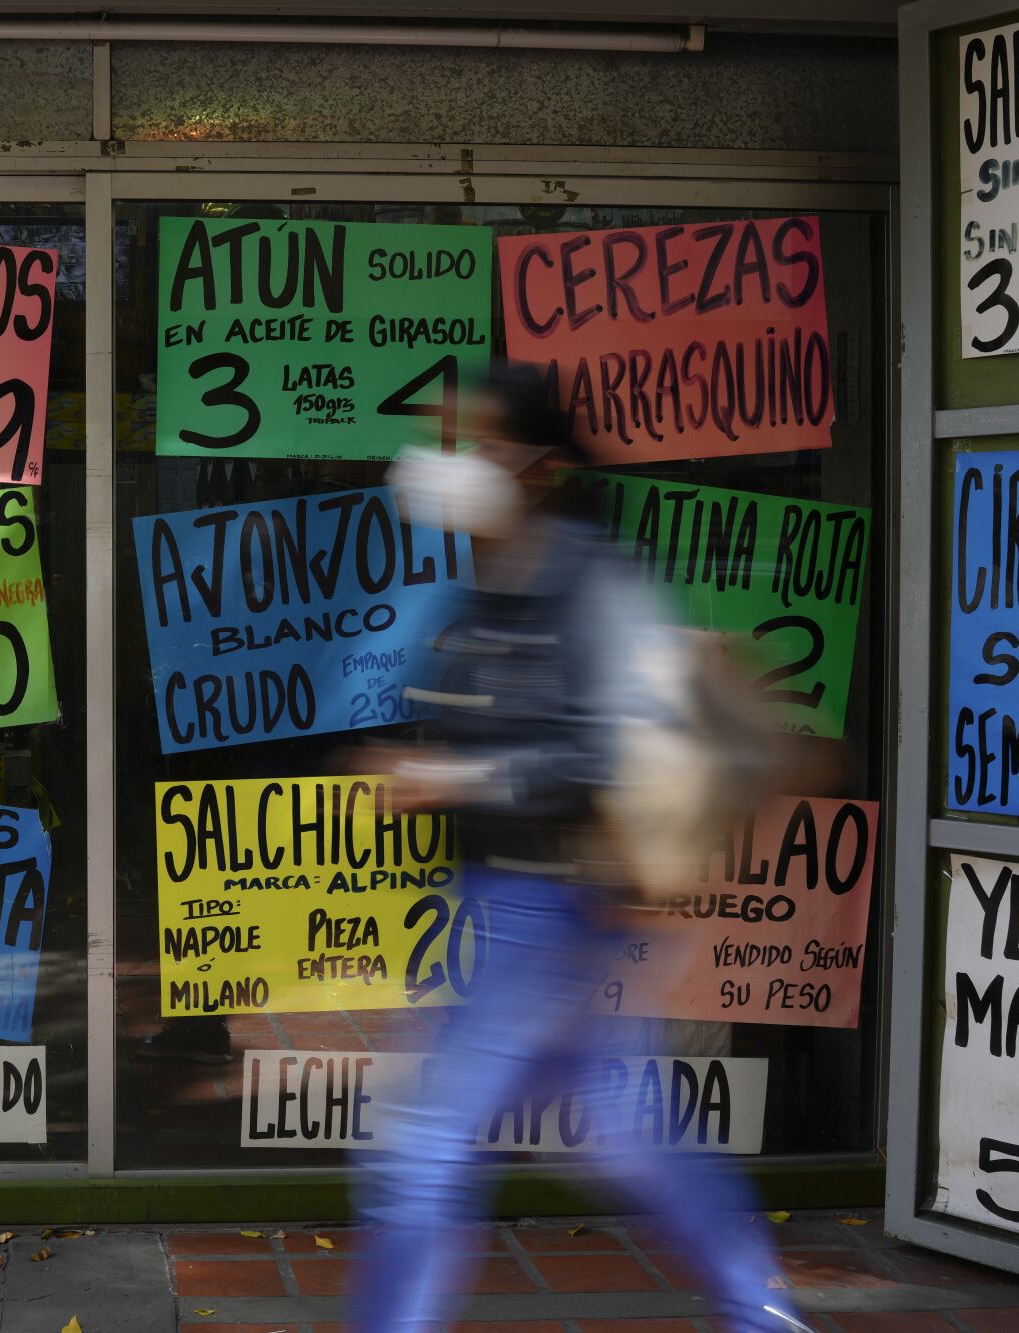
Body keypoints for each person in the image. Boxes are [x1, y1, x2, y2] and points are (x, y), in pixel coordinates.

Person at [351, 362, 817, 1333]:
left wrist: (457, 779)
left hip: (547, 904)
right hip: (510, 901)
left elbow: (608, 746)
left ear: (541, 466)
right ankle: (762, 1311)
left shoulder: (591, 582)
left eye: (477, 444)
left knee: (419, 1142)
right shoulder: (488, 583)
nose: (451, 464)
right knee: (623, 1129)